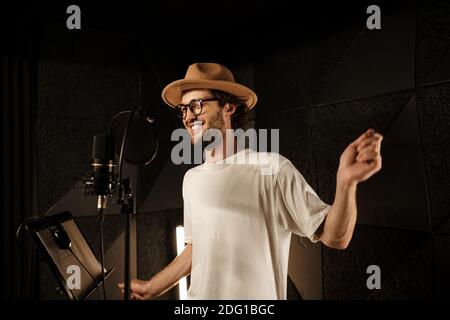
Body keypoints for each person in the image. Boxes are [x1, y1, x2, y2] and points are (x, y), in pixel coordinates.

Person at [118, 63, 383, 299]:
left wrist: (345, 183)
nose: (188, 116)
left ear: (228, 109)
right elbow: (198, 246)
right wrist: (152, 287)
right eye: (184, 109)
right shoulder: (192, 179)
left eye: (197, 105)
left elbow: (336, 237)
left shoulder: (271, 169)